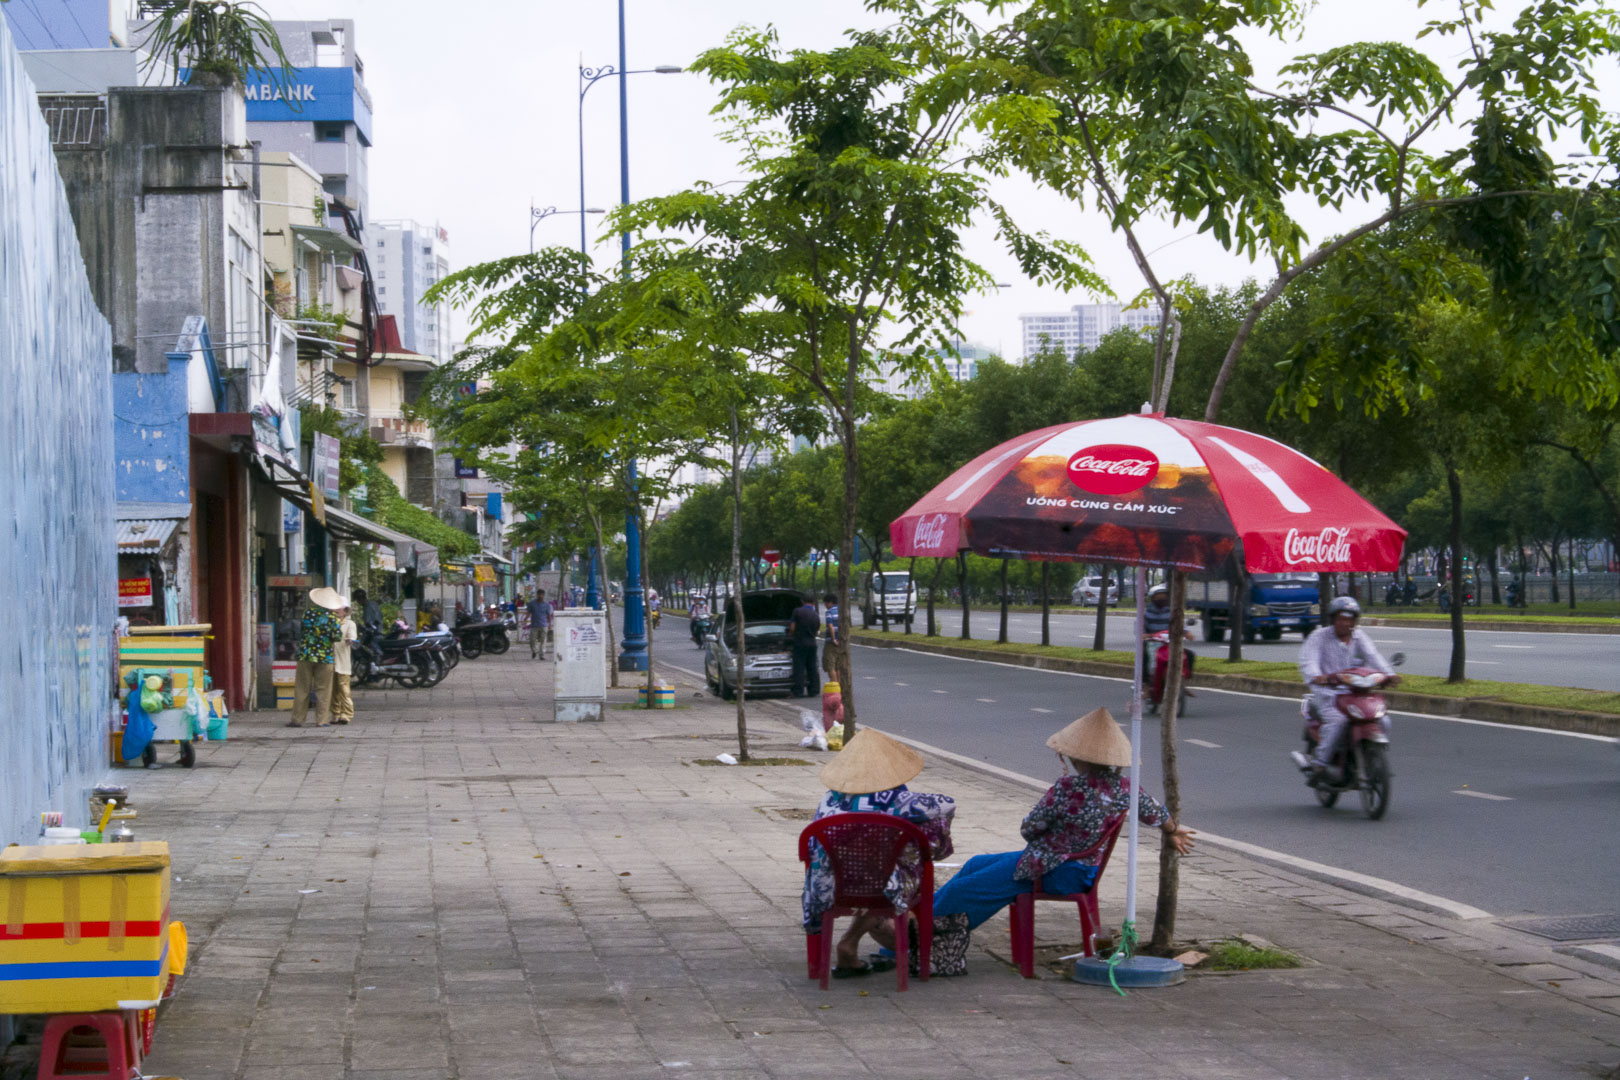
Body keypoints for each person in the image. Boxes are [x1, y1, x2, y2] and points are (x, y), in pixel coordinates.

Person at [927, 709, 1195, 975]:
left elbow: (1030, 829)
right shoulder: (1126, 788)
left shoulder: (1068, 788)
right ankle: (922, 922)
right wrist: (1172, 832)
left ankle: (910, 937)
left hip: (1052, 871)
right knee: (975, 864)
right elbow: (1157, 814)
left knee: (964, 890)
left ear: (1076, 757)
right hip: (1083, 871)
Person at [802, 729, 955, 978]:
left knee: (870, 870)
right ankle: (895, 941)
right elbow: (947, 804)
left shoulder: (828, 800)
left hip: (829, 886)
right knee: (898, 864)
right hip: (883, 887)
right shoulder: (900, 801)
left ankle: (854, 944)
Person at [1291, 596, 1400, 781]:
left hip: (1355, 692)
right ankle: (1320, 764)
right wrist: (1318, 677)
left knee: (1383, 720)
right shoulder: (1319, 637)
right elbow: (1309, 662)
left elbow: (1374, 657)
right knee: (1338, 721)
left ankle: (1372, 755)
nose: (1345, 623)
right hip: (1328, 693)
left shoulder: (1359, 636)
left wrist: (1389, 674)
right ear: (1333, 619)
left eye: (1349, 619)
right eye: (1341, 619)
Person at [290, 587, 344, 728]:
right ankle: (322, 720)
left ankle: (297, 719)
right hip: (325, 657)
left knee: (302, 688)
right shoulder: (333, 618)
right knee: (323, 690)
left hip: (305, 655)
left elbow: (302, 631)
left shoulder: (308, 613)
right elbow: (337, 637)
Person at [788, 592, 821, 697]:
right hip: (812, 643)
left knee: (799, 667)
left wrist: (790, 634)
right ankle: (814, 690)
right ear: (813, 602)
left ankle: (799, 691)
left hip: (800, 643)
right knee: (812, 667)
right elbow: (816, 631)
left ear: (802, 601)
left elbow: (792, 628)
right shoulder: (815, 614)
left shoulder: (797, 611)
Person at [331, 597, 357, 726]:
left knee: (344, 689)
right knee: (332, 690)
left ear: (345, 610)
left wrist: (350, 640)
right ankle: (335, 714)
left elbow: (352, 636)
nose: (336, 610)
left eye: (339, 607)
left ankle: (346, 714)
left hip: (343, 661)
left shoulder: (349, 624)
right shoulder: (330, 622)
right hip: (330, 661)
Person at [527, 589, 554, 660]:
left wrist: (550, 624)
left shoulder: (547, 605)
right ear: (537, 595)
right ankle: (534, 651)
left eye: (542, 594)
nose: (540, 596)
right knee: (532, 640)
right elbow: (528, 612)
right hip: (534, 625)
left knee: (543, 640)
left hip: (544, 624)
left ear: (544, 595)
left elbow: (548, 615)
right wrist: (524, 620)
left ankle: (542, 655)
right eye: (539, 594)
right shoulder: (532, 604)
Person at [821, 592, 840, 679]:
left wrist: (833, 639)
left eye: (825, 603)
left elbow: (830, 626)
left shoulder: (829, 612)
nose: (825, 605)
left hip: (831, 642)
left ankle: (834, 687)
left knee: (830, 666)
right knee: (838, 665)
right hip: (841, 642)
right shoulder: (841, 611)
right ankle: (839, 686)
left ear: (830, 602)